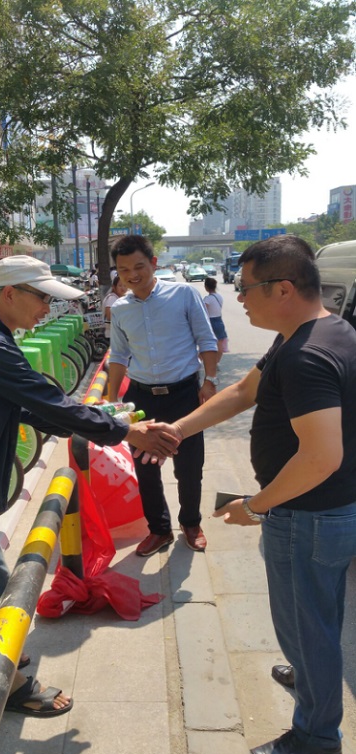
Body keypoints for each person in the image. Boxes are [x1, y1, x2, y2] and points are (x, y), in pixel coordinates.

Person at [0, 256, 179, 718]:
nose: (47, 308)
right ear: (10, 294)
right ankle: (9, 687)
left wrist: (101, 424)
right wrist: (126, 432)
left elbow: (24, 406)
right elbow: (45, 401)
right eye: (42, 297)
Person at [151, 235, 356, 754]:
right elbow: (245, 392)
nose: (237, 298)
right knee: (317, 616)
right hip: (323, 512)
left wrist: (258, 506)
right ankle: (311, 675)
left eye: (245, 288)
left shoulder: (307, 355)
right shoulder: (316, 332)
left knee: (304, 624)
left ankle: (316, 733)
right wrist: (177, 430)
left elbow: (321, 457)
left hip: (309, 516)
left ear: (283, 288)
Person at [107, 234, 219, 556]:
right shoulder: (120, 309)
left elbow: (206, 339)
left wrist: (209, 381)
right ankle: (159, 530)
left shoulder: (183, 294)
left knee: (189, 466)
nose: (132, 275)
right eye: (124, 269)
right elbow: (118, 356)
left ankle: (191, 523)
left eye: (138, 266)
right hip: (142, 399)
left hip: (184, 395)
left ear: (154, 263)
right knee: (146, 467)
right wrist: (113, 401)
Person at [203, 276, 229, 364]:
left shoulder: (207, 299)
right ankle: (216, 362)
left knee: (208, 344)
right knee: (220, 343)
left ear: (206, 287)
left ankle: (206, 362)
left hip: (210, 322)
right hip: (219, 321)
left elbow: (204, 312)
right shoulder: (219, 297)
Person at [101, 275, 126, 339]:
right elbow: (109, 316)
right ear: (114, 287)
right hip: (112, 335)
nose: (123, 288)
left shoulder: (119, 298)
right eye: (120, 285)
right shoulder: (112, 298)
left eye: (125, 285)